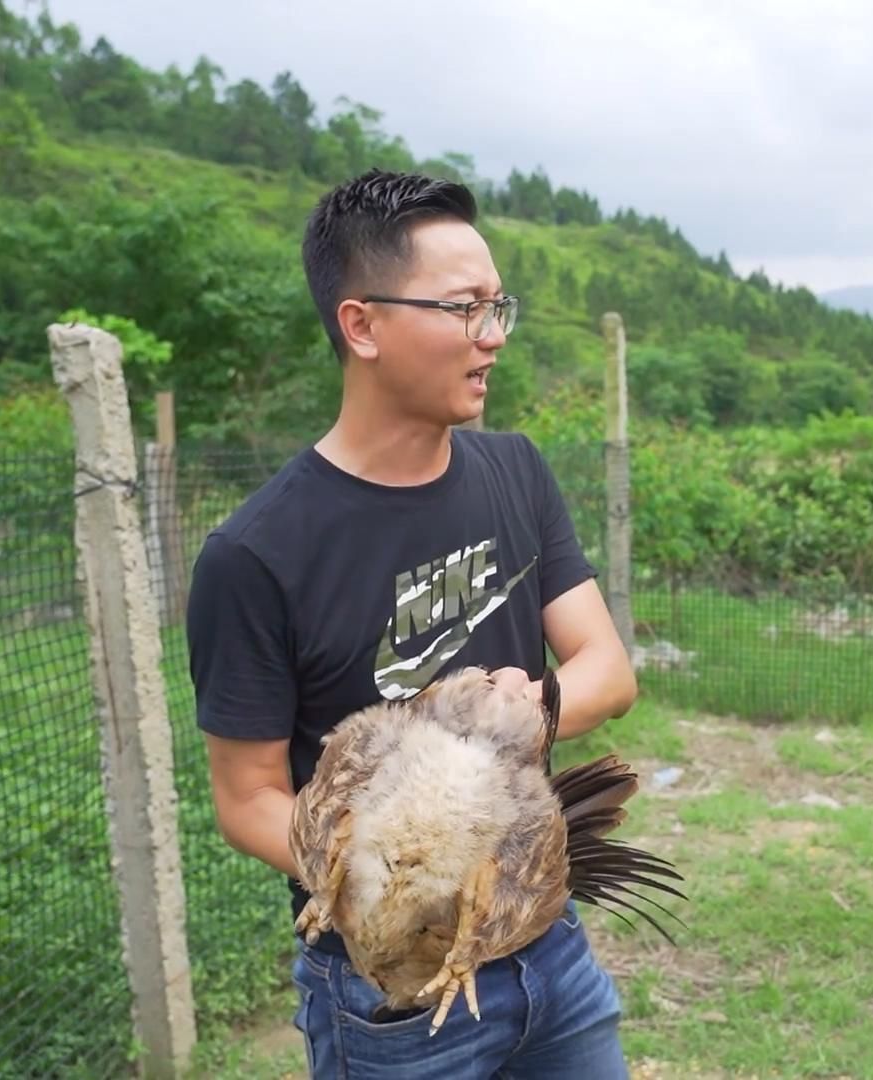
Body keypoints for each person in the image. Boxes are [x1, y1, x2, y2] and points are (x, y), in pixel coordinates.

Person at [184, 168, 638, 1078]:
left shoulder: (515, 472)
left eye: (498, 305)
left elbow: (607, 670)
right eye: (464, 308)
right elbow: (247, 799)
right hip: (387, 991)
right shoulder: (256, 555)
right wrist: (395, 888)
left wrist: (530, 709)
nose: (493, 335)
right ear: (362, 325)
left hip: (549, 936)